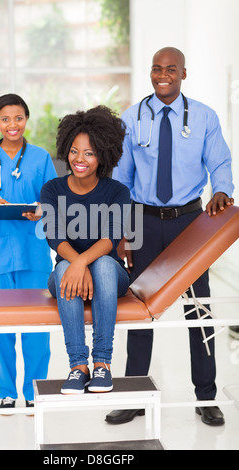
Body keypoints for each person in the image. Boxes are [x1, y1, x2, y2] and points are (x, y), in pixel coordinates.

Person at [106, 47, 234, 426]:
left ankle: (206, 396)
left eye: (171, 69)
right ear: (150, 73)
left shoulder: (205, 117)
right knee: (140, 310)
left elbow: (220, 162)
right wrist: (122, 232)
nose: (164, 75)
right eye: (157, 69)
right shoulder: (132, 118)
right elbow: (121, 179)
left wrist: (223, 189)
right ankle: (132, 396)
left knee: (199, 310)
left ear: (183, 74)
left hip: (189, 223)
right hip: (143, 221)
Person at [0, 93, 57, 410]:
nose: (12, 124)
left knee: (37, 326)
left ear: (26, 119)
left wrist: (39, 210)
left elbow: (53, 201)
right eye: (5, 118)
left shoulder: (41, 157)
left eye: (18, 118)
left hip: (33, 251)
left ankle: (34, 392)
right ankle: (6, 392)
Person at [40, 105, 131, 394]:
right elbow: (54, 237)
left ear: (103, 155)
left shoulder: (117, 192)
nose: (80, 159)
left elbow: (111, 239)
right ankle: (78, 366)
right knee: (65, 266)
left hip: (108, 275)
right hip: (66, 272)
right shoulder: (52, 190)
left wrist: (83, 263)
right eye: (75, 151)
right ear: (66, 149)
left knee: (103, 263)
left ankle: (102, 363)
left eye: (89, 153)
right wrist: (77, 264)